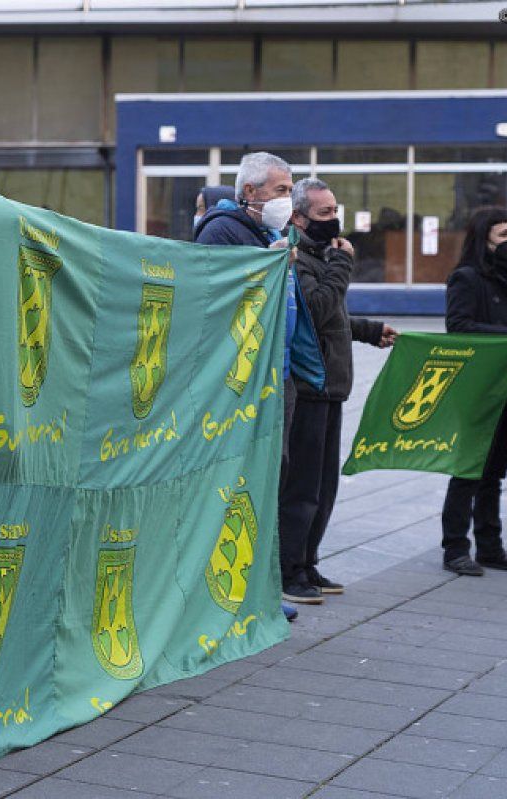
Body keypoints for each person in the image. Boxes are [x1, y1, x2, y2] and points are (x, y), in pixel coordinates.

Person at [196, 153, 324, 619]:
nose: (286, 200)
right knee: (239, 480)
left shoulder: (269, 232)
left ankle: (258, 588)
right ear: (249, 192)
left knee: (271, 478)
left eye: (289, 191)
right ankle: (229, 592)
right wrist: (260, 267)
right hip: (243, 379)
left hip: (278, 373)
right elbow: (211, 295)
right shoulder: (222, 231)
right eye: (279, 190)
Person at [279, 179, 395, 604]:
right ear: (298, 218)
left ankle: (307, 562)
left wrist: (368, 331)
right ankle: (287, 570)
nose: (334, 219)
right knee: (302, 487)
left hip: (333, 386)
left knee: (325, 487)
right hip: (309, 386)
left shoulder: (319, 256)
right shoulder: (295, 259)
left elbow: (336, 317)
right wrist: (343, 264)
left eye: (334, 210)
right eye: (324, 213)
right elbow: (316, 308)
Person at [442, 206, 507, 576]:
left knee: (495, 471)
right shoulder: (466, 277)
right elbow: (459, 325)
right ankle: (455, 548)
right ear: (484, 241)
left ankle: (490, 547)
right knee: (469, 469)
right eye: (503, 235)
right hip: (480, 386)